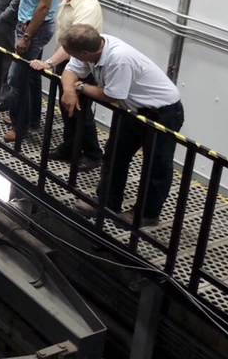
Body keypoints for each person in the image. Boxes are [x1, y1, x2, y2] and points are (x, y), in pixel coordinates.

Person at [60, 24, 184, 226]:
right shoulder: (93, 46)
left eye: (73, 53)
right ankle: (107, 202)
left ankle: (147, 213)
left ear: (85, 52)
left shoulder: (119, 59)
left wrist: (81, 86)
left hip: (162, 114)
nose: (70, 56)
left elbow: (112, 96)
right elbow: (70, 70)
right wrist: (69, 90)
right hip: (133, 110)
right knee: (115, 154)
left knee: (156, 165)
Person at [30, 0, 103, 165]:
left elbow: (74, 43)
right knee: (66, 107)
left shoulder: (87, 6)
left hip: (81, 67)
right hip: (67, 64)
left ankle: (93, 154)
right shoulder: (68, 0)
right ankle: (70, 146)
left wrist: (49, 62)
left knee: (79, 110)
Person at [4, 0, 59, 143]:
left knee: (17, 79)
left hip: (33, 28)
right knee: (32, 76)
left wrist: (27, 36)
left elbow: (44, 6)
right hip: (30, 25)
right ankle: (33, 118)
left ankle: (19, 127)